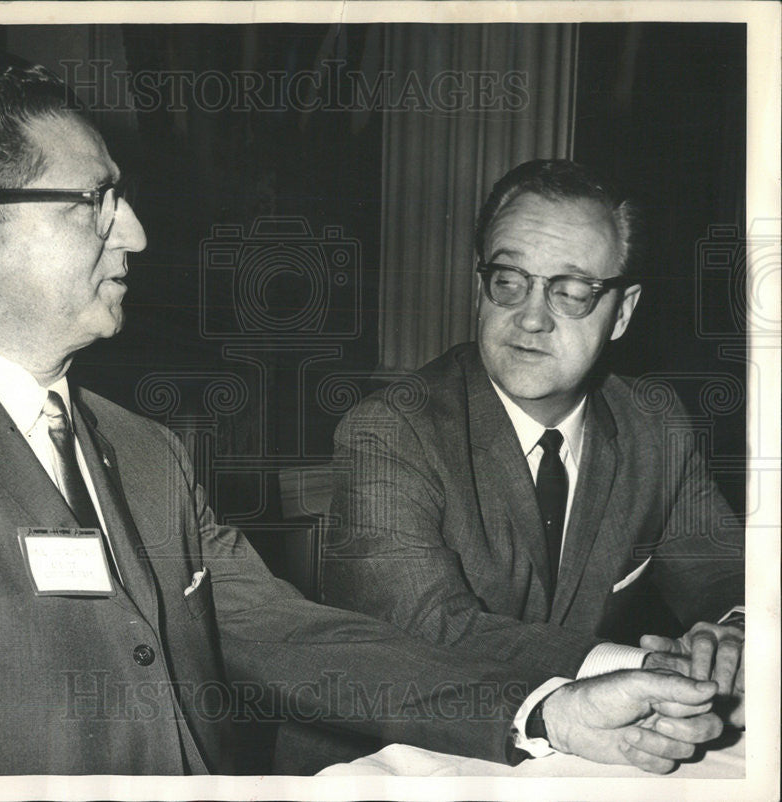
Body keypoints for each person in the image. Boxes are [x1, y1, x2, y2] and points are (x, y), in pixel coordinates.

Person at [0, 52, 724, 777]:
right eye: (95, 202)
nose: (136, 232)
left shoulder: (146, 451)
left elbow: (295, 638)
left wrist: (547, 710)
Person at [319, 159, 745, 765]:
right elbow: (428, 631)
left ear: (622, 312)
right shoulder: (392, 429)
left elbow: (730, 576)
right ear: (479, 288)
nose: (532, 317)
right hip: (397, 758)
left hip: (574, 757)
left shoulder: (654, 423)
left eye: (571, 292)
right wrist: (644, 665)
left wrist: (731, 636)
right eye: (509, 281)